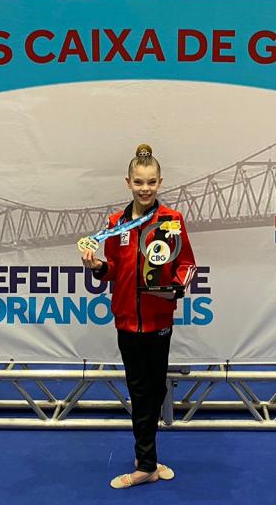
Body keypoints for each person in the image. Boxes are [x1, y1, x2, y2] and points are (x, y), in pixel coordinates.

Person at [78, 143, 197, 489]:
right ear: (128, 182)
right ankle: (146, 464)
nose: (146, 189)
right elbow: (114, 269)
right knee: (140, 390)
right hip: (127, 321)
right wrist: (97, 266)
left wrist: (176, 286)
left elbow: (187, 264)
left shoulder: (172, 220)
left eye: (152, 182)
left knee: (155, 391)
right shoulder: (115, 224)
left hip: (160, 320)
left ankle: (147, 459)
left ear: (160, 182)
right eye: (139, 182)